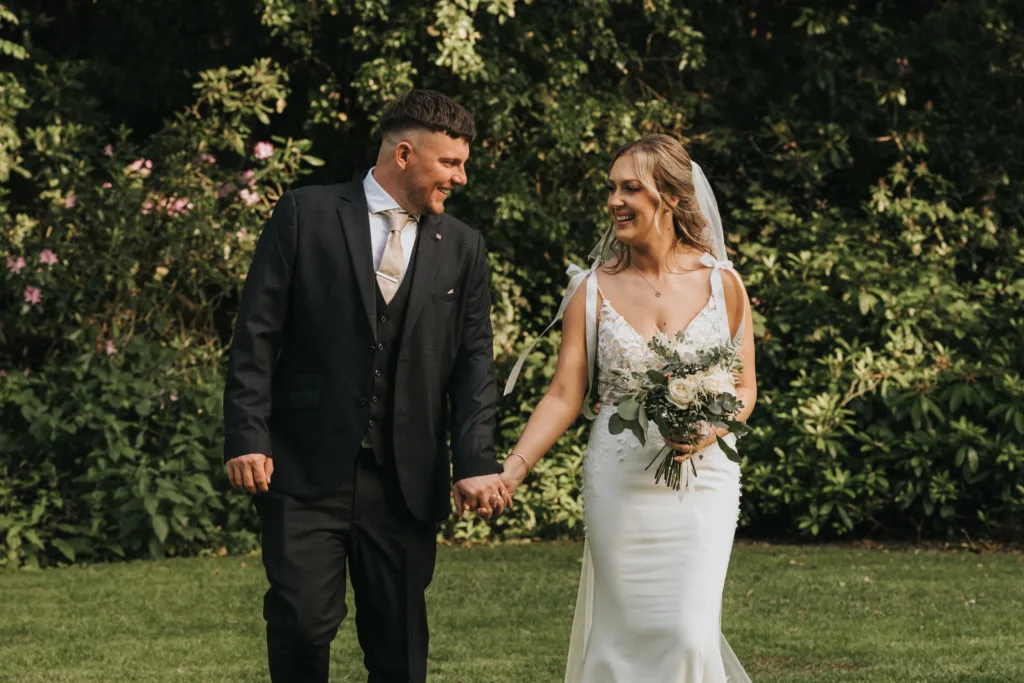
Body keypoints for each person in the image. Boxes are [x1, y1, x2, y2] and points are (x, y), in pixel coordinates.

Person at [222, 89, 512, 683]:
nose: (461, 177)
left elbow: (474, 365)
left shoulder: (463, 247)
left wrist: (475, 461)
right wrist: (247, 435)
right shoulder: (305, 213)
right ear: (405, 154)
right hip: (304, 466)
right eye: (450, 162)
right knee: (301, 623)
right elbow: (256, 334)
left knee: (398, 644)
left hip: (406, 478)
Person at [503, 134, 756, 682]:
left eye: (630, 189)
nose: (614, 201)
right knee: (622, 633)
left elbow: (744, 390)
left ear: (671, 197)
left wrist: (708, 430)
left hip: (705, 482)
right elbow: (564, 393)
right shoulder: (591, 289)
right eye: (612, 188)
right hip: (619, 481)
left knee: (689, 632)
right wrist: (514, 469)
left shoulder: (723, 284)